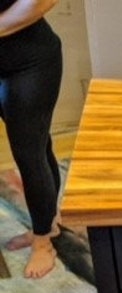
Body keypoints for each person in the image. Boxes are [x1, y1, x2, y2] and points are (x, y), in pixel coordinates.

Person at [0, 0, 62, 278]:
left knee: (29, 153)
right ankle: (50, 222)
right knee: (38, 144)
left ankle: (43, 243)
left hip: (30, 64)